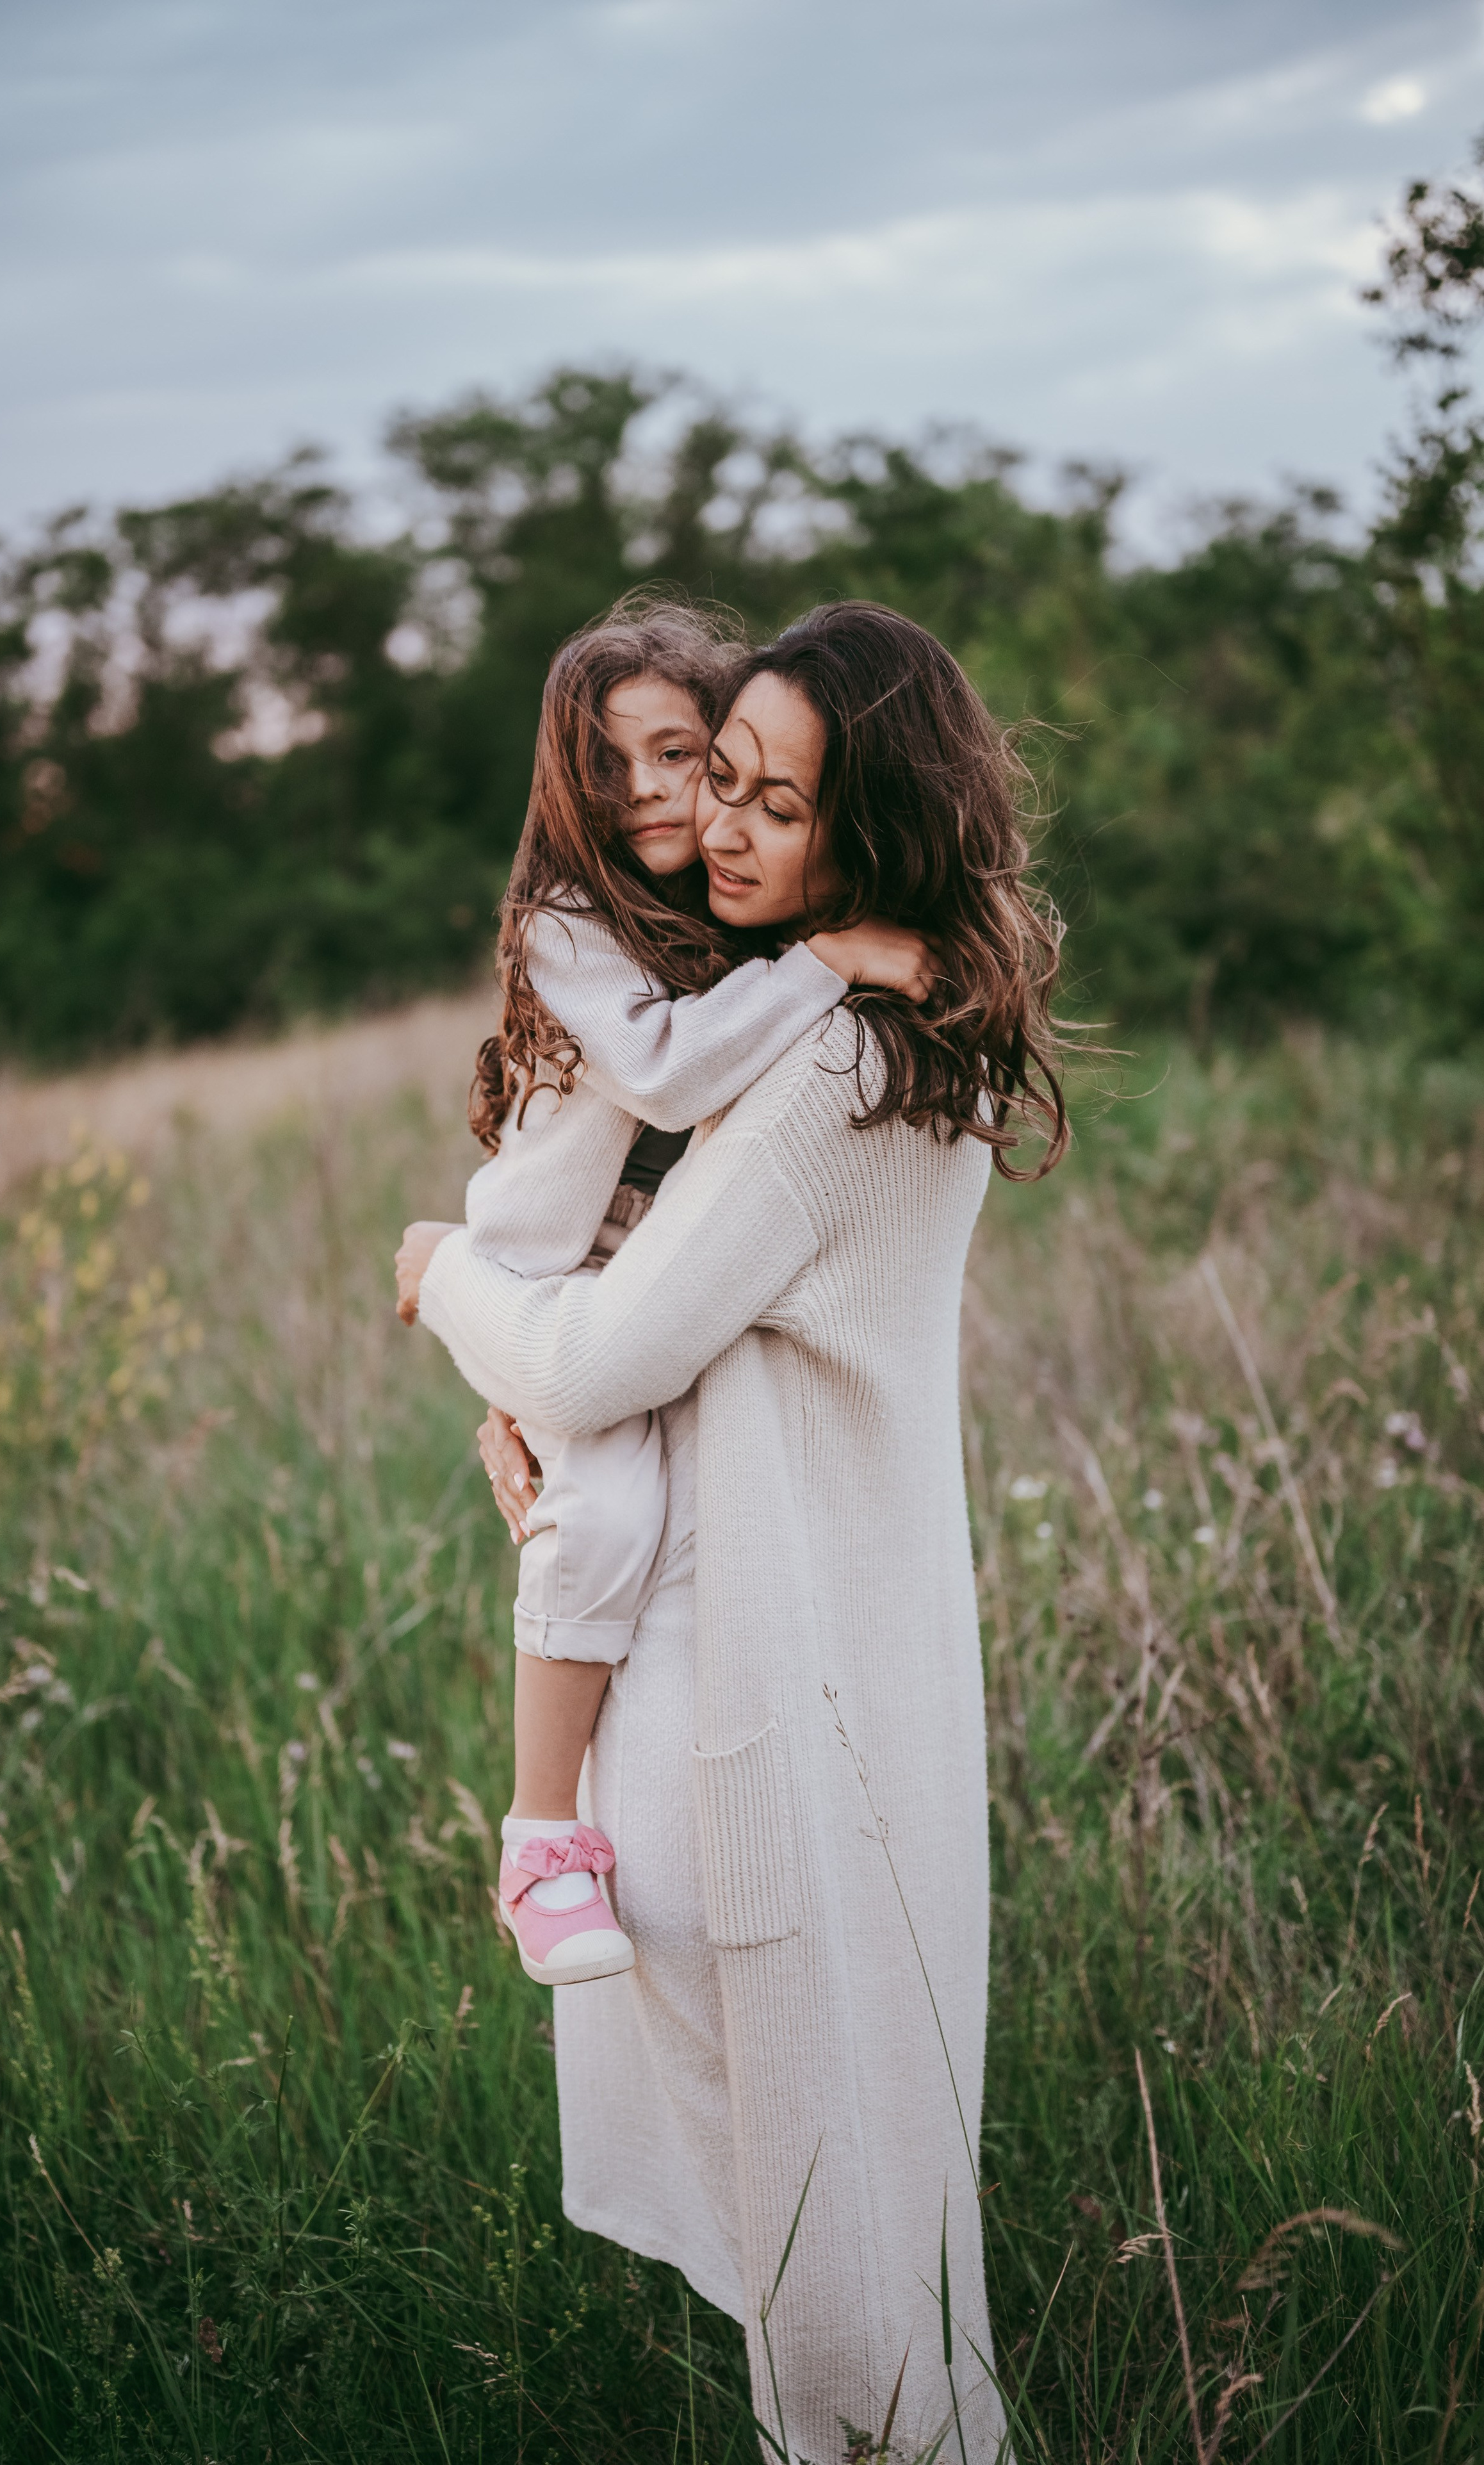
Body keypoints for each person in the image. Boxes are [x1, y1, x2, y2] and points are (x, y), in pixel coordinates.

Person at [402, 599, 1066, 2459]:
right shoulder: (922, 1029)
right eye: (732, 784)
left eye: (780, 796)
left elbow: (610, 1347)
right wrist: (533, 1394)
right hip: (867, 1645)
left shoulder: (823, 1072)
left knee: (826, 2216)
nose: (734, 829)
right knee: (871, 2160)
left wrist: (448, 1275)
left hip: (757, 1676)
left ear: (888, 818)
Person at [395, 595, 937, 1990]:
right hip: (543, 1267)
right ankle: (537, 1839)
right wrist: (830, 957)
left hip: (630, 1269)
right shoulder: (570, 923)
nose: (648, 790)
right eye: (606, 767)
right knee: (604, 1513)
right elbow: (676, 1075)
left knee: (627, 1501)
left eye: (678, 754)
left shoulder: (725, 898)